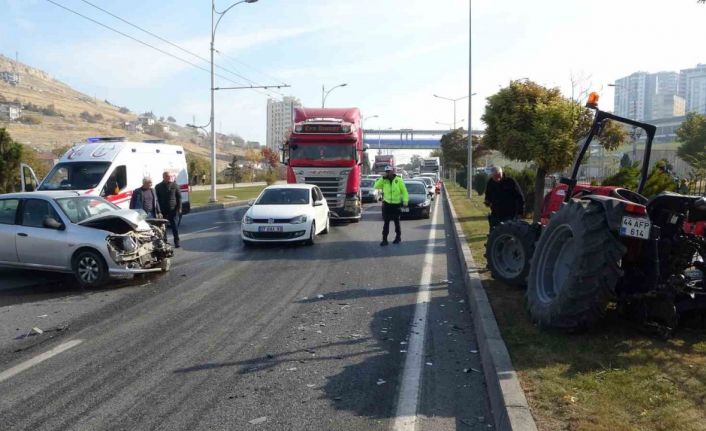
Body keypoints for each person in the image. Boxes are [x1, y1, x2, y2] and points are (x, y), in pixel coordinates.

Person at [374, 165, 409, 246]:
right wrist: (382, 178)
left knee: (397, 222)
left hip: (396, 204)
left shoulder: (398, 180)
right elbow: (376, 186)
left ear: (392, 171)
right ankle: (384, 240)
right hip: (387, 204)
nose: (388, 173)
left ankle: (398, 237)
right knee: (386, 222)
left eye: (389, 171)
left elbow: (404, 191)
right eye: (386, 171)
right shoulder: (384, 180)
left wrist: (405, 202)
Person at [156, 171, 182, 248]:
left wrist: (179, 208)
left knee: (175, 227)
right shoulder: (158, 186)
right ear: (163, 177)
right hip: (163, 210)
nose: (170, 177)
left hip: (173, 210)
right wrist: (158, 210)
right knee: (163, 227)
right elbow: (156, 199)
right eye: (168, 176)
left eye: (171, 176)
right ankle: (165, 241)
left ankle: (177, 242)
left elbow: (179, 198)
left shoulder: (175, 185)